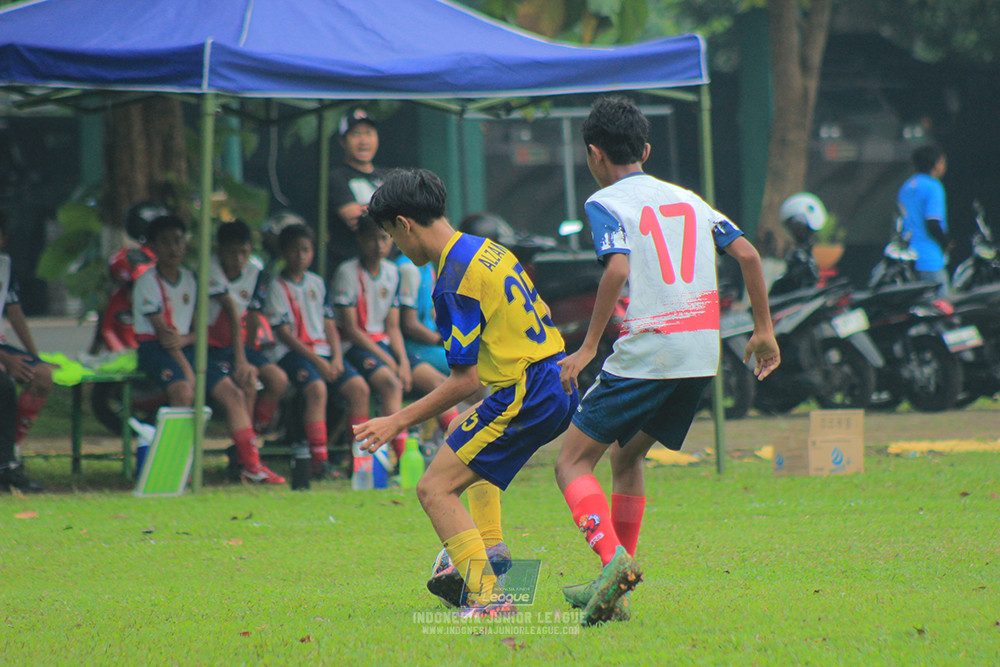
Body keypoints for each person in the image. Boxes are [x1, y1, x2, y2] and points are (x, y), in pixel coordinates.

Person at [553, 96, 781, 626]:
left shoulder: (606, 201)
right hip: (699, 353)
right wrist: (764, 330)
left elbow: (615, 271)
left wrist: (588, 348)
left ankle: (613, 564)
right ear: (646, 149)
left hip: (650, 349)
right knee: (626, 458)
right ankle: (617, 589)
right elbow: (747, 254)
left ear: (593, 153)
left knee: (570, 461)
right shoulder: (688, 199)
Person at [353, 168, 579, 617]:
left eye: (392, 237)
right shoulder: (486, 249)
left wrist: (395, 420)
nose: (396, 247)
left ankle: (490, 599)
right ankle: (491, 550)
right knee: (463, 428)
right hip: (557, 378)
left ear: (404, 224)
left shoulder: (451, 279)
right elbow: (541, 309)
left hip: (525, 392)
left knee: (434, 489)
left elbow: (464, 381)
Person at [133, 215, 285, 484]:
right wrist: (189, 370)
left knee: (235, 394)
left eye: (177, 241)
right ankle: (178, 468)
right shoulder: (147, 282)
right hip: (156, 349)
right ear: (153, 247)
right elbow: (165, 336)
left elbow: (198, 326)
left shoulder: (191, 279)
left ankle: (250, 464)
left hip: (190, 348)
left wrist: (191, 344)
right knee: (184, 391)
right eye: (165, 242)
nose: (173, 248)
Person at [333, 216, 458, 460]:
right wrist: (390, 361)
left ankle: (460, 446)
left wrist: (401, 360)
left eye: (383, 238)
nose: (378, 245)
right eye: (371, 239)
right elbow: (351, 329)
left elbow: (393, 326)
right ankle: (399, 459)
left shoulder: (391, 272)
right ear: (360, 240)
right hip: (355, 346)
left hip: (385, 346)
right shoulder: (347, 272)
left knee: (438, 382)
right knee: (391, 383)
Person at [264, 223, 370, 478]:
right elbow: (284, 335)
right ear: (282, 252)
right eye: (294, 250)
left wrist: (335, 357)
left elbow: (329, 323)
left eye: (306, 250)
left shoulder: (317, 283)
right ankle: (319, 461)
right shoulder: (277, 286)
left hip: (323, 353)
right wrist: (319, 362)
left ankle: (360, 459)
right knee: (317, 389)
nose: (300, 256)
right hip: (292, 354)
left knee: (359, 390)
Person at [207, 220, 289, 436]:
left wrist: (249, 353)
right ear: (220, 251)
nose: (239, 259)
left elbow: (252, 316)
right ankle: (244, 449)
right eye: (232, 252)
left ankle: (254, 432)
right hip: (213, 348)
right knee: (248, 381)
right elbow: (233, 312)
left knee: (278, 380)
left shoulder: (255, 272)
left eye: (244, 252)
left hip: (239, 347)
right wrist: (242, 360)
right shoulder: (210, 268)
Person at [0, 211, 53, 453]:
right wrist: (6, 360)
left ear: (3, 239)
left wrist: (35, 356)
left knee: (41, 375)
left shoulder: (5, 266)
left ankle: (13, 447)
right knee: (3, 381)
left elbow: (15, 312)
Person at [328, 106, 386, 272]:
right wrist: (392, 214)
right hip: (351, 265)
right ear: (342, 141)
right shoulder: (337, 177)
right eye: (356, 134)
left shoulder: (386, 176)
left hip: (386, 268)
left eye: (369, 133)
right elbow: (357, 221)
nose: (363, 141)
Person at [898, 145, 950, 294]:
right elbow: (933, 222)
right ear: (936, 163)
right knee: (943, 309)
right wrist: (945, 242)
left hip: (909, 259)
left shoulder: (907, 186)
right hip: (929, 258)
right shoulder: (933, 187)